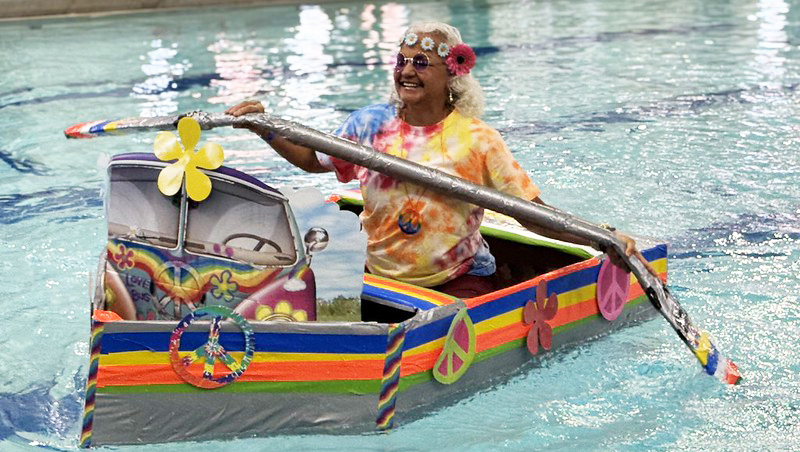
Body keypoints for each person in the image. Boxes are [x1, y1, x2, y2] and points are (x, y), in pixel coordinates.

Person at [226, 21, 639, 298]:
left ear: (452, 73)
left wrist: (600, 237)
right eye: (402, 61)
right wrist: (264, 127)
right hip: (375, 276)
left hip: (458, 281)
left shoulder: (477, 140)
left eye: (421, 63)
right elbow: (313, 160)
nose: (407, 71)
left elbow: (531, 214)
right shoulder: (370, 123)